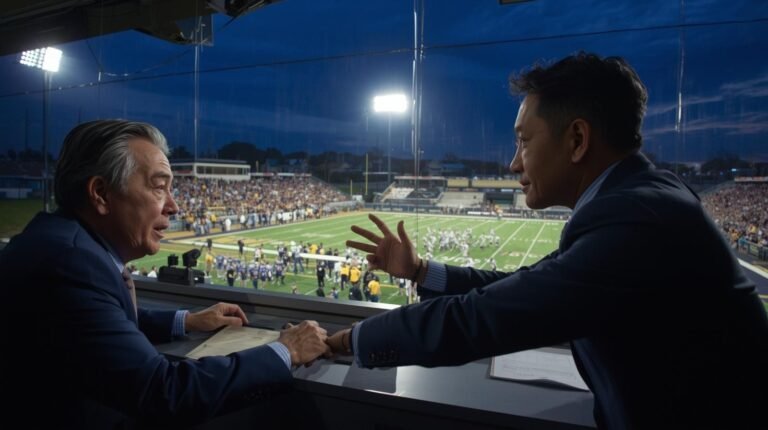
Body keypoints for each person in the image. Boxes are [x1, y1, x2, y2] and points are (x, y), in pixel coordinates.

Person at [327, 53, 768, 429]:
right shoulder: (637, 199)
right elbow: (527, 284)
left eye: (523, 141)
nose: (513, 161)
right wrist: (422, 271)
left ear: (577, 139)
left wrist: (350, 340)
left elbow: (485, 318)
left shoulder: (636, 218)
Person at [0, 120, 330, 428]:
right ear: (100, 193)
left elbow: (96, 324)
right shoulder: (71, 264)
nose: (173, 206)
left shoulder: (62, 244)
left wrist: (185, 321)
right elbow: (164, 393)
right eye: (159, 188)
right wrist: (287, 351)